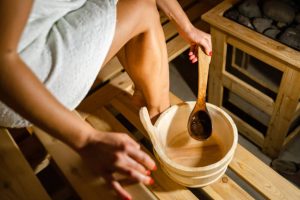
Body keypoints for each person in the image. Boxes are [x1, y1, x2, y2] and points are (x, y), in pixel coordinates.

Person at [0, 0, 212, 199]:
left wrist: (188, 27)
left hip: (40, 28)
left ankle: (145, 90)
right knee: (143, 6)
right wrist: (87, 139)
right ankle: (159, 117)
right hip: (19, 86)